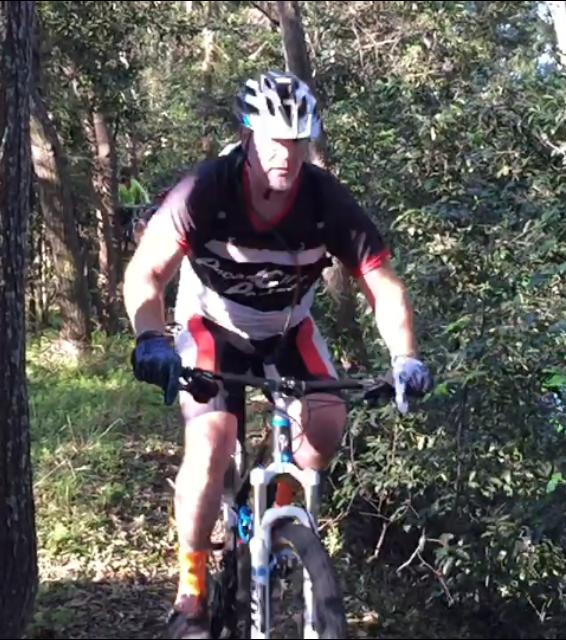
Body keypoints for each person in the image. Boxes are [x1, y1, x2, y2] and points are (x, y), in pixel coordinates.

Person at [122, 70, 434, 638]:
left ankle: (282, 514)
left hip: (289, 328)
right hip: (212, 323)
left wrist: (405, 355)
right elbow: (147, 271)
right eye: (273, 141)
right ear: (247, 138)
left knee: (329, 423)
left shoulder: (326, 200)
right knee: (211, 440)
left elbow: (382, 285)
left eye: (297, 142)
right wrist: (151, 337)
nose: (286, 155)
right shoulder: (207, 189)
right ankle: (191, 590)